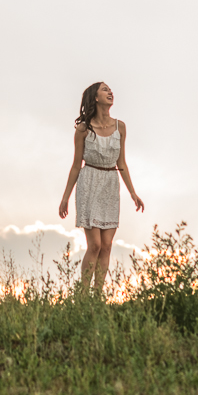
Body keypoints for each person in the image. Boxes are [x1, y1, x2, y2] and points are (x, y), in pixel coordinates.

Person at [58, 81, 144, 292]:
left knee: (106, 246)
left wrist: (133, 193)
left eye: (110, 90)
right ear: (95, 98)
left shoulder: (120, 127)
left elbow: (121, 163)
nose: (110, 92)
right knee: (94, 245)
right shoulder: (83, 129)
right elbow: (76, 165)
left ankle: (97, 297)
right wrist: (65, 197)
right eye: (105, 89)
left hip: (110, 184)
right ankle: (83, 295)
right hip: (89, 183)